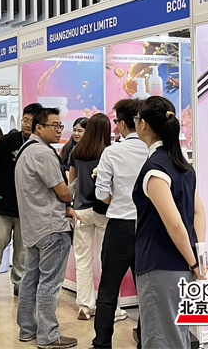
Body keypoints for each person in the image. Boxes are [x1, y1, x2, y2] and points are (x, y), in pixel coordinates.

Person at [133, 96, 207, 349]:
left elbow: (174, 224)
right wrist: (197, 259)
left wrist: (194, 262)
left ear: (143, 124)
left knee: (161, 337)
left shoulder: (155, 168)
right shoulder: (183, 165)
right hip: (183, 265)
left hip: (159, 265)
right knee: (177, 335)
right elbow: (198, 212)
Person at [14, 107, 79, 349]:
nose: (59, 130)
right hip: (51, 226)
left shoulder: (26, 150)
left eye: (61, 125)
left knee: (30, 279)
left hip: (33, 227)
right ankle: (48, 335)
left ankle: (27, 330)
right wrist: (73, 192)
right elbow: (62, 192)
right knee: (49, 283)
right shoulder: (43, 152)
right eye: (55, 125)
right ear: (39, 128)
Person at [91, 99, 147, 349]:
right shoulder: (153, 151)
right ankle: (145, 338)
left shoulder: (112, 152)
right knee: (146, 289)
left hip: (119, 227)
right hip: (147, 227)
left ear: (123, 124)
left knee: (108, 290)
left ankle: (102, 343)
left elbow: (101, 193)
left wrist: (118, 199)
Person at [0, 103, 42, 302]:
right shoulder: (7, 140)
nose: (27, 124)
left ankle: (20, 284)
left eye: (32, 121)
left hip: (28, 210)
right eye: (25, 120)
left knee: (23, 251)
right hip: (2, 206)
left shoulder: (41, 145)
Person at [68, 113, 117, 321]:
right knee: (107, 260)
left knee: (83, 260)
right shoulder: (108, 152)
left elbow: (72, 183)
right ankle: (110, 308)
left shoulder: (76, 151)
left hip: (80, 210)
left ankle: (84, 305)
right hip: (103, 209)